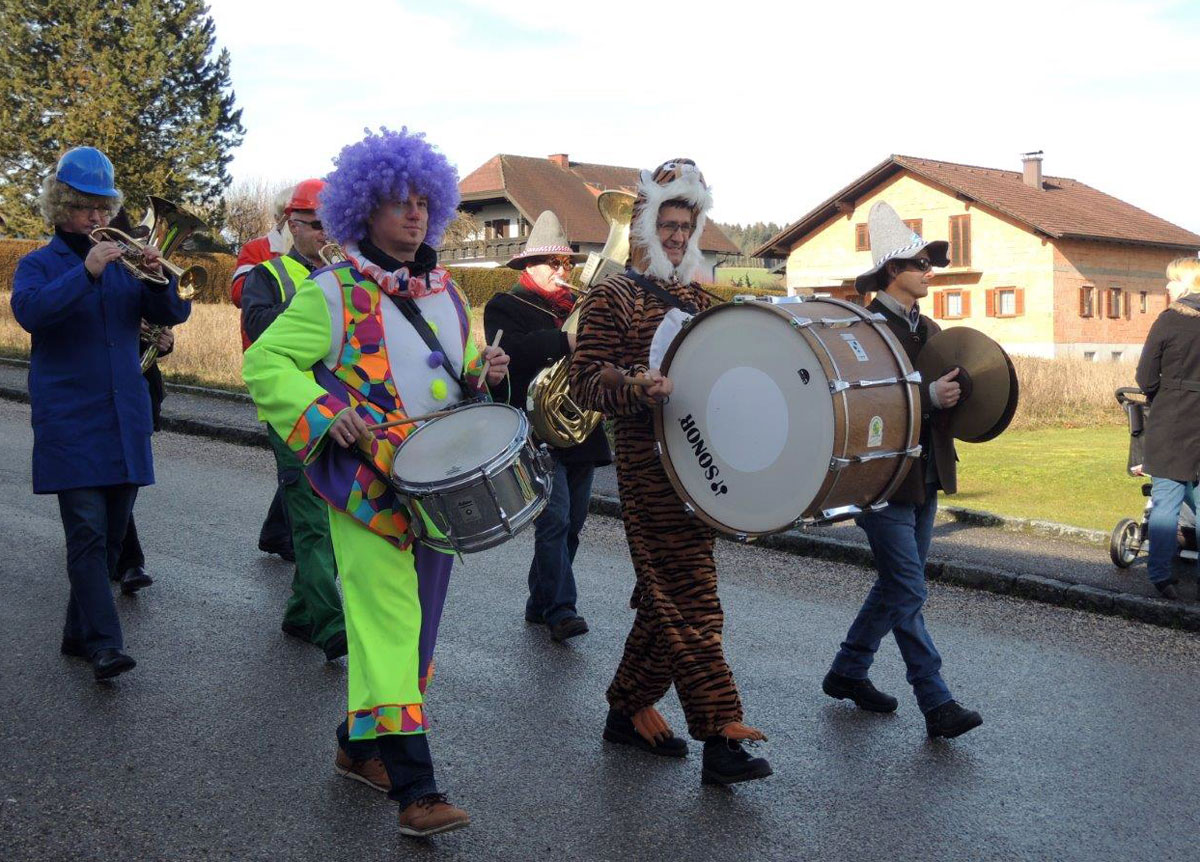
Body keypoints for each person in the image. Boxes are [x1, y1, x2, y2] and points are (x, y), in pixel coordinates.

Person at [243, 128, 509, 838]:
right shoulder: (331, 292)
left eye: (424, 202)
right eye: (398, 203)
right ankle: (417, 792)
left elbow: (458, 375)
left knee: (416, 634)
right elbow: (266, 365)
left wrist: (486, 374)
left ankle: (359, 748)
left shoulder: (449, 294)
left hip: (439, 491)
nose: (414, 215)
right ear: (365, 210)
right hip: (367, 489)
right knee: (389, 628)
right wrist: (325, 413)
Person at [568, 159, 772, 786]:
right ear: (646, 224)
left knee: (662, 598)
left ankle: (626, 709)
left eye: (688, 224)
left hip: (698, 465)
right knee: (692, 597)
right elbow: (584, 379)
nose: (679, 236)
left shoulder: (698, 299)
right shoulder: (611, 294)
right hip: (646, 467)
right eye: (670, 223)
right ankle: (720, 732)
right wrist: (634, 385)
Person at [10, 146, 191, 681]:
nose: (97, 217)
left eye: (103, 207)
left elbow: (172, 313)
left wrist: (159, 278)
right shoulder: (38, 264)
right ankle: (106, 645)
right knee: (87, 534)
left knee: (111, 539)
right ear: (61, 206)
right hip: (70, 417)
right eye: (85, 206)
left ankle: (76, 633)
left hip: (124, 415)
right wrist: (86, 272)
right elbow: (32, 314)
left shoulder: (126, 263)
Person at [821, 201, 982, 739]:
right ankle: (936, 702)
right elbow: (864, 402)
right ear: (894, 271)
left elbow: (948, 396)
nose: (930, 271)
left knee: (895, 586)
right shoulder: (864, 329)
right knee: (910, 590)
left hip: (927, 472)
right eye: (921, 263)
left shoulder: (929, 327)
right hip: (881, 476)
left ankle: (848, 671)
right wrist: (926, 395)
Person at [484, 211, 611, 642]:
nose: (562, 272)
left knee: (574, 523)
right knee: (553, 521)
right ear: (528, 266)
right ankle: (561, 609)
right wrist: (565, 341)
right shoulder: (506, 303)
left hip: (581, 430)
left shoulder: (577, 307)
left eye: (565, 264)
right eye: (552, 264)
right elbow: (513, 351)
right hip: (537, 429)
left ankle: (540, 601)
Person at [241, 178, 347, 660]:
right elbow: (258, 328)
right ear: (292, 225)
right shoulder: (269, 274)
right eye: (317, 225)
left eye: (333, 225)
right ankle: (330, 624)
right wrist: (316, 304)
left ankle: (300, 613)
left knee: (332, 511)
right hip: (292, 409)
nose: (327, 235)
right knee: (311, 518)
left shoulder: (345, 276)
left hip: (342, 411)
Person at [232, 184, 297, 562]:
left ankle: (277, 531)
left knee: (298, 452)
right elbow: (239, 292)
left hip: (307, 364)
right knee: (292, 451)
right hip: (268, 361)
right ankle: (288, 533)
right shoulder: (258, 249)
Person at [1134, 256, 1200, 601]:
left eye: (1172, 281)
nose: (1168, 287)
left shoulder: (1169, 320)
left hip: (1172, 420)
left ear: (1186, 285)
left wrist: (1160, 395)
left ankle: (1161, 575)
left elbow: (1145, 376)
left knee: (1165, 506)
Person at [113, 320, 175, 593]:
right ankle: (130, 561)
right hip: (96, 386)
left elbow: (159, 329)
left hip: (140, 389)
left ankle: (115, 550)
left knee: (127, 477)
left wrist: (164, 342)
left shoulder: (144, 278)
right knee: (114, 478)